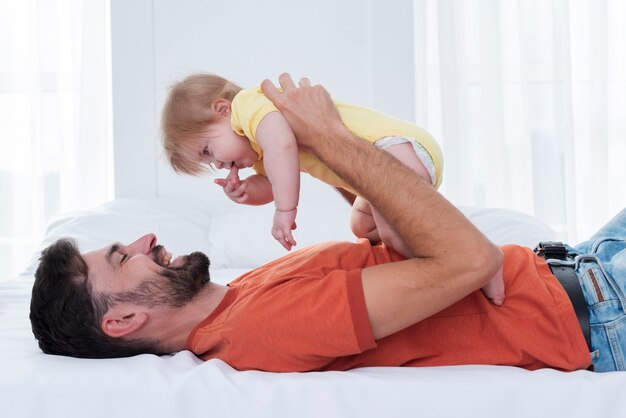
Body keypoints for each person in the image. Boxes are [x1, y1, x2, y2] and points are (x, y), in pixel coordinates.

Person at [30, 74, 622, 372]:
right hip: (598, 310)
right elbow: (473, 261)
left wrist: (326, 162)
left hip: (581, 262)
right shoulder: (262, 328)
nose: (145, 239)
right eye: (119, 256)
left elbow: (393, 241)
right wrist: (331, 137)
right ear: (125, 318)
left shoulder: (238, 295)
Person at [160, 73, 503, 305]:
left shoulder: (251, 107)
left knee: (400, 236)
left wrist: (284, 210)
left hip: (392, 149)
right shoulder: (261, 149)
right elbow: (272, 178)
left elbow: (282, 150)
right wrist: (248, 191)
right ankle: (460, 252)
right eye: (209, 165)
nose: (217, 164)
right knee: (363, 227)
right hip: (376, 168)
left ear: (222, 110)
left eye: (208, 151)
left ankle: (475, 257)